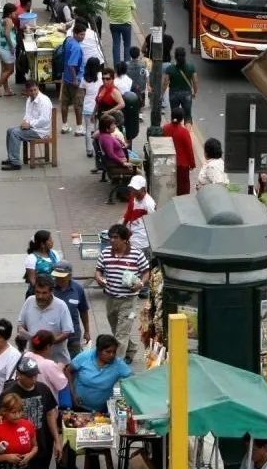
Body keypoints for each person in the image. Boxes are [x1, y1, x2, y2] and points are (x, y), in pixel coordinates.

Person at [95, 224, 150, 364]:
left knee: (121, 333)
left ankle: (116, 363)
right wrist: (99, 279)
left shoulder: (137, 254)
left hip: (129, 301)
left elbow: (146, 272)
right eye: (110, 238)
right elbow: (98, 270)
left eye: (116, 238)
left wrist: (141, 284)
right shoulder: (106, 253)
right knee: (116, 329)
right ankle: (131, 349)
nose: (112, 240)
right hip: (111, 299)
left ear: (125, 239)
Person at [65, 334, 133, 413]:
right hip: (78, 406)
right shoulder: (85, 357)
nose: (112, 355)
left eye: (114, 352)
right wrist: (73, 394)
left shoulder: (118, 364)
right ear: (98, 351)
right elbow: (68, 371)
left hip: (101, 411)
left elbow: (132, 379)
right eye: (108, 352)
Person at [3, 80, 53, 170]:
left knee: (15, 133)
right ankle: (11, 157)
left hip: (40, 130)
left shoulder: (44, 101)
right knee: (10, 131)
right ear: (27, 91)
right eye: (31, 91)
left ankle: (15, 163)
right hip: (32, 128)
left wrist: (29, 124)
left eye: (35, 90)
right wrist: (24, 121)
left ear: (38, 88)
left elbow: (44, 120)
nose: (33, 92)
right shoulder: (29, 100)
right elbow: (28, 114)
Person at [0, 392, 40, 468]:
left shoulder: (28, 425)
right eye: (13, 412)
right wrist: (6, 457)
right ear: (5, 411)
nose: (17, 415)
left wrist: (30, 455)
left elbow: (35, 446)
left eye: (19, 411)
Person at [23, 330, 70, 407]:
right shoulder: (49, 365)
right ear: (48, 346)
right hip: (46, 407)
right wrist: (60, 369)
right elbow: (62, 385)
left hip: (27, 403)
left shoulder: (26, 356)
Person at [58, 23, 87, 135]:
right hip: (76, 80)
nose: (82, 37)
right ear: (75, 33)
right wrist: (75, 80)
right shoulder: (76, 47)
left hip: (66, 78)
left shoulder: (68, 40)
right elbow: (71, 64)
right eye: (80, 34)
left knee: (64, 103)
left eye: (84, 35)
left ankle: (65, 126)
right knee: (78, 104)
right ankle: (79, 128)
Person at [162, 106, 196, 195]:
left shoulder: (165, 128)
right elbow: (189, 149)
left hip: (168, 162)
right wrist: (192, 164)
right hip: (182, 165)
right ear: (182, 119)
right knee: (183, 190)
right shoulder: (184, 132)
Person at [162, 46, 198, 125]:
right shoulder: (191, 67)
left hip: (174, 94)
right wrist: (195, 92)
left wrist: (162, 94)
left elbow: (165, 83)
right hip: (187, 94)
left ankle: (175, 133)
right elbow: (195, 81)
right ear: (185, 56)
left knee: (175, 115)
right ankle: (186, 133)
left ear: (175, 57)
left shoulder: (170, 68)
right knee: (188, 115)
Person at [105, 0, 136, 66]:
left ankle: (117, 66)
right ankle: (127, 64)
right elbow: (134, 7)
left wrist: (110, 15)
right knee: (127, 45)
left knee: (116, 44)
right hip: (126, 25)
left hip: (114, 24)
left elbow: (106, 9)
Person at [123, 175, 156, 255]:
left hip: (142, 242)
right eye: (131, 188)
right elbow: (128, 214)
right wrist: (122, 229)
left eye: (135, 189)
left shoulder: (149, 204)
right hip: (131, 237)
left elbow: (153, 224)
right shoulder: (133, 198)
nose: (132, 191)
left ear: (143, 189)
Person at [24, 230, 61, 296]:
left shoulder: (54, 254)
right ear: (42, 244)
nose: (52, 241)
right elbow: (32, 280)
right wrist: (42, 292)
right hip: (38, 294)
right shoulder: (32, 258)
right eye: (50, 240)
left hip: (55, 292)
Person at [0, 3, 19, 97]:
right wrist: (12, 47)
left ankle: (7, 90)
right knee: (10, 70)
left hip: (1, 47)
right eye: (14, 13)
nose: (16, 14)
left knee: (4, 70)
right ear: (9, 13)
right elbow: (7, 34)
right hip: (6, 49)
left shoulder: (3, 20)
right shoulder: (8, 20)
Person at [80, 58, 104, 157]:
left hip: (88, 106)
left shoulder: (84, 78)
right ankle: (99, 149)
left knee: (88, 129)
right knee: (98, 129)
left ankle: (89, 150)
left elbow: (84, 93)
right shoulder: (101, 76)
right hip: (99, 105)